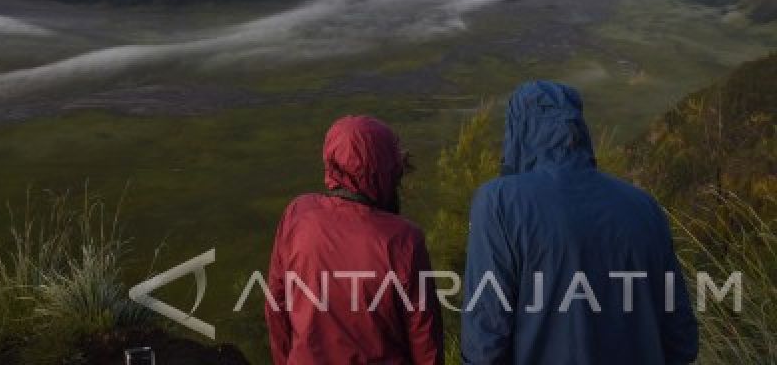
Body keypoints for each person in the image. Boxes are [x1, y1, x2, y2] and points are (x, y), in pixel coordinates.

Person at [462, 81, 698, 364]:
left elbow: (485, 341)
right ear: (578, 129)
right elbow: (681, 340)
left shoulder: (498, 203)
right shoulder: (644, 206)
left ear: (517, 131)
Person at [266, 115, 444, 365]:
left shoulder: (298, 214)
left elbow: (276, 306)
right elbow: (425, 341)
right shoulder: (404, 240)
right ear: (387, 171)